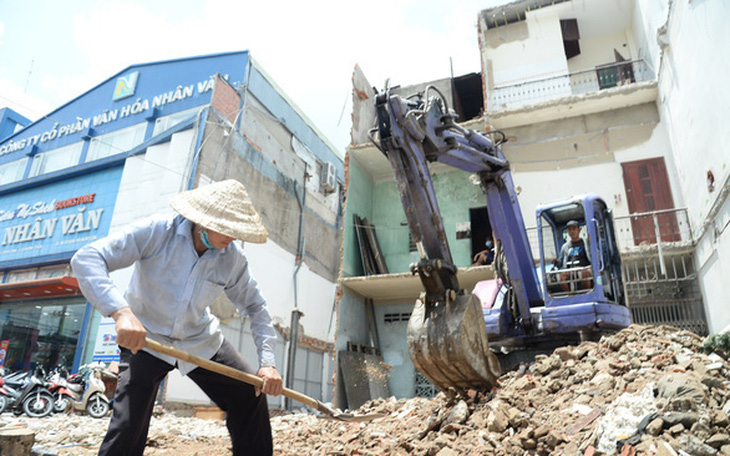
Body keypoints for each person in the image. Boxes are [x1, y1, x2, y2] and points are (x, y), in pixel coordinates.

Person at [71, 179, 283, 456]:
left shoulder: (232, 259)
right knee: (128, 424)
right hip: (146, 340)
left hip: (199, 341)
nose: (233, 238)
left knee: (249, 392)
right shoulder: (158, 231)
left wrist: (267, 364)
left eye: (238, 232)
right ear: (204, 221)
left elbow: (256, 307)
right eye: (227, 230)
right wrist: (121, 312)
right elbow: (87, 258)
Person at [553, 220, 592, 291]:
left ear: (579, 230)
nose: (572, 231)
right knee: (561, 276)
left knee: (584, 273)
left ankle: (587, 294)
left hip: (584, 268)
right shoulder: (565, 247)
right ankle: (570, 296)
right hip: (570, 270)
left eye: (574, 229)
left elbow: (595, 257)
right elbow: (560, 263)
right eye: (569, 229)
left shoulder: (587, 243)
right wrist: (556, 262)